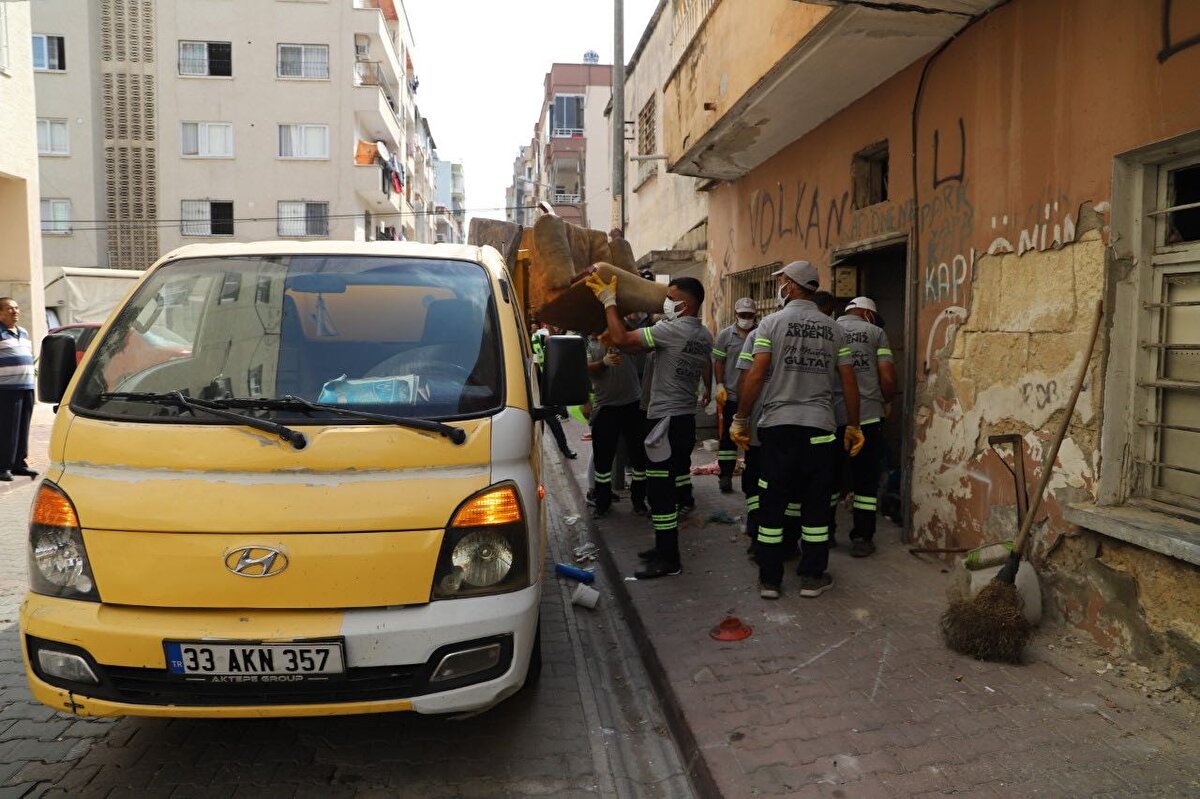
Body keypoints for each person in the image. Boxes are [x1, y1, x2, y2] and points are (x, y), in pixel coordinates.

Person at [730, 261, 862, 600]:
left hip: (777, 428)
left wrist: (741, 417)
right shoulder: (835, 330)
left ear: (791, 286)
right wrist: (854, 424)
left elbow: (756, 375)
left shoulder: (771, 324)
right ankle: (812, 576)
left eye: (783, 281)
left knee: (773, 501)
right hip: (820, 428)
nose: (781, 286)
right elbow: (848, 381)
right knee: (816, 504)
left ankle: (770, 579)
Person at [586, 273, 712, 579]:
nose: (665, 302)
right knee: (663, 487)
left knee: (661, 493)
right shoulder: (703, 334)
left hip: (665, 423)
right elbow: (638, 343)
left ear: (685, 304)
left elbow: (621, 340)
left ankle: (669, 559)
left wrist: (608, 300)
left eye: (670, 297)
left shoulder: (672, 330)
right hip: (681, 420)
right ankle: (662, 547)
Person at [832, 296, 896, 557]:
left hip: (832, 417)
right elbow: (888, 376)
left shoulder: (828, 329)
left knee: (829, 478)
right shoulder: (875, 332)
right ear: (868, 313)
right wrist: (886, 400)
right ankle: (862, 538)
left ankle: (822, 533)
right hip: (868, 416)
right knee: (865, 482)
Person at [586, 332, 647, 517]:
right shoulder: (588, 343)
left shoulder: (622, 336)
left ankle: (639, 501)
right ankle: (602, 502)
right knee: (603, 461)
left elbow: (640, 346)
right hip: (606, 408)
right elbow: (585, 369)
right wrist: (603, 363)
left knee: (638, 457)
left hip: (632, 404)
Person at [712, 297, 757, 493]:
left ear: (755, 315)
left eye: (749, 315)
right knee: (728, 441)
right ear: (735, 315)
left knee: (753, 439)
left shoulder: (761, 332)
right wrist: (719, 384)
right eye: (742, 315)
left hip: (755, 397)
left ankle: (751, 478)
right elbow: (719, 361)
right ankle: (725, 476)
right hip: (731, 396)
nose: (746, 318)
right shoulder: (725, 335)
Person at [0, 298, 37, 482]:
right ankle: (3, 466)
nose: (15, 311)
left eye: (16, 307)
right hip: (6, 388)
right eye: (9, 309)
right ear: (0, 313)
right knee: (7, 427)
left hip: (26, 386)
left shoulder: (23, 332)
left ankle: (18, 464)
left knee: (23, 427)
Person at [531, 323, 577, 459]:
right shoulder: (538, 336)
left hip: (544, 392)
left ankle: (565, 449)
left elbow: (554, 340)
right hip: (534, 392)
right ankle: (562, 450)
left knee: (553, 422)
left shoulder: (549, 340)